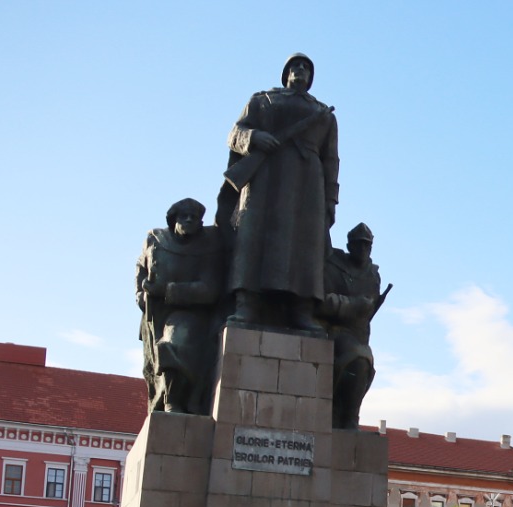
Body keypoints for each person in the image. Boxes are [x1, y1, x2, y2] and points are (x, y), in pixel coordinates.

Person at [219, 53, 339, 333]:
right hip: (265, 180)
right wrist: (254, 138)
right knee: (253, 237)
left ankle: (302, 309)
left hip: (307, 185)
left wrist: (331, 200)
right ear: (285, 73)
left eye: (306, 67)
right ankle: (246, 303)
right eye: (295, 66)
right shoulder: (262, 100)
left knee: (305, 247)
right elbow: (235, 133)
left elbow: (331, 160)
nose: (300, 70)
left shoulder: (324, 114)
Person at [135, 196, 223, 413]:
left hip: (190, 312)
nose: (189, 221)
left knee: (175, 341)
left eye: (194, 217)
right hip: (157, 313)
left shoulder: (208, 247)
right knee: (157, 354)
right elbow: (141, 267)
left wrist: (167, 290)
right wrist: (139, 292)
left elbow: (209, 289)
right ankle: (165, 396)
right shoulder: (155, 239)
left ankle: (173, 400)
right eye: (184, 217)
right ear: (173, 220)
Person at [320, 222, 384, 429]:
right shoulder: (333, 266)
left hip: (359, 335)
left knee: (363, 363)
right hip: (333, 331)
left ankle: (349, 417)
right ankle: (346, 418)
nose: (363, 250)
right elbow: (320, 301)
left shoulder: (373, 275)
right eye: (359, 245)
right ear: (350, 246)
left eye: (367, 246)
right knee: (358, 358)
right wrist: (352, 305)